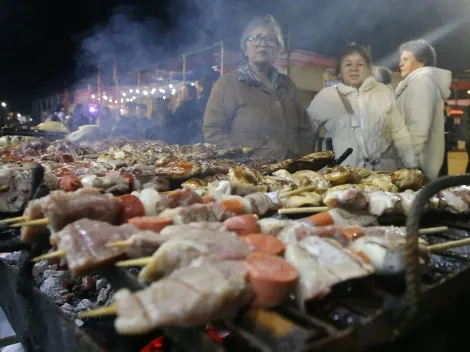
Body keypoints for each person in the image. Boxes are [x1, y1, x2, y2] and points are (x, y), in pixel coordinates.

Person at [204, 15, 313, 159]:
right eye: (255, 38)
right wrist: (240, 162)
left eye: (270, 39)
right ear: (245, 48)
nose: (263, 43)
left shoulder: (287, 85)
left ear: (277, 49)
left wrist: (301, 159)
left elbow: (305, 129)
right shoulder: (227, 84)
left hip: (289, 173)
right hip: (247, 176)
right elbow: (213, 132)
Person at [307, 42, 418, 171]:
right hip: (341, 175)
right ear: (339, 71)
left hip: (381, 175)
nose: (354, 68)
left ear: (369, 69)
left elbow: (399, 133)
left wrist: (413, 166)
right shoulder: (325, 97)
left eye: (360, 64)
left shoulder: (383, 92)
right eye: (348, 64)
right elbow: (307, 134)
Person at [395, 39, 452, 180]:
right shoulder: (414, 83)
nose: (400, 63)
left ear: (421, 60)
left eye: (406, 59)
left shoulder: (421, 83)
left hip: (417, 167)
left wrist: (409, 165)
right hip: (415, 164)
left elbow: (418, 130)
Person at [439, 102, 457, 176]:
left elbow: (452, 129)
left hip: (446, 141)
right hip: (438, 142)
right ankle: (440, 174)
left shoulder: (449, 118)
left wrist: (453, 143)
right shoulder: (438, 117)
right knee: (439, 159)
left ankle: (444, 174)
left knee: (445, 159)